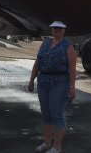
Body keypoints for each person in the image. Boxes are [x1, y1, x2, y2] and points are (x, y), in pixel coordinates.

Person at [28, 20, 77, 153]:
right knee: (46, 114)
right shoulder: (45, 43)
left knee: (57, 115)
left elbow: (72, 69)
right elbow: (38, 62)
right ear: (51, 29)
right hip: (43, 82)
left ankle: (57, 147)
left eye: (60, 28)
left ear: (64, 30)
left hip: (59, 83)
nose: (57, 30)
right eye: (55, 28)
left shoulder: (68, 47)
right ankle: (46, 143)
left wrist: (72, 87)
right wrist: (32, 79)